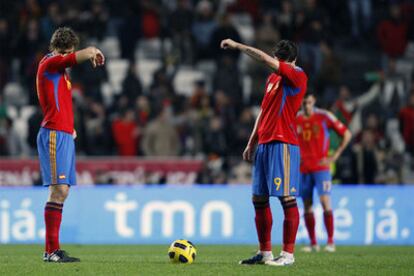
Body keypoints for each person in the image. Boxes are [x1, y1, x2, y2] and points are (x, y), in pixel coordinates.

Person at [221, 38, 307, 266]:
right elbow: (264, 110)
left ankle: (288, 254)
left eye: (280, 61)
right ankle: (265, 252)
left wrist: (238, 47)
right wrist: (252, 141)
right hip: (265, 144)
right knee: (259, 199)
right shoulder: (272, 79)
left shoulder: (297, 75)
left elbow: (264, 59)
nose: (276, 63)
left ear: (291, 61)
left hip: (284, 143)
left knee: (286, 198)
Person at [36, 27, 105, 262]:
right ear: (56, 49)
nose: (65, 56)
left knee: (62, 191)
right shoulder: (50, 63)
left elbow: (60, 102)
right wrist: (94, 51)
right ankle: (51, 251)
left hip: (64, 133)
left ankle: (53, 250)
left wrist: (70, 127)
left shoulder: (59, 70)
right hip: (54, 133)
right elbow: (77, 57)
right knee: (58, 190)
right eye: (63, 52)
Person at [296, 93, 352, 252]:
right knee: (307, 205)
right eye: (304, 103)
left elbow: (347, 134)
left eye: (309, 102)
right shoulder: (295, 119)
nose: (307, 106)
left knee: (325, 201)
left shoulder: (324, 117)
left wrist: (335, 156)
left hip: (321, 167)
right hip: (303, 168)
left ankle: (330, 241)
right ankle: (313, 243)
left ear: (314, 102)